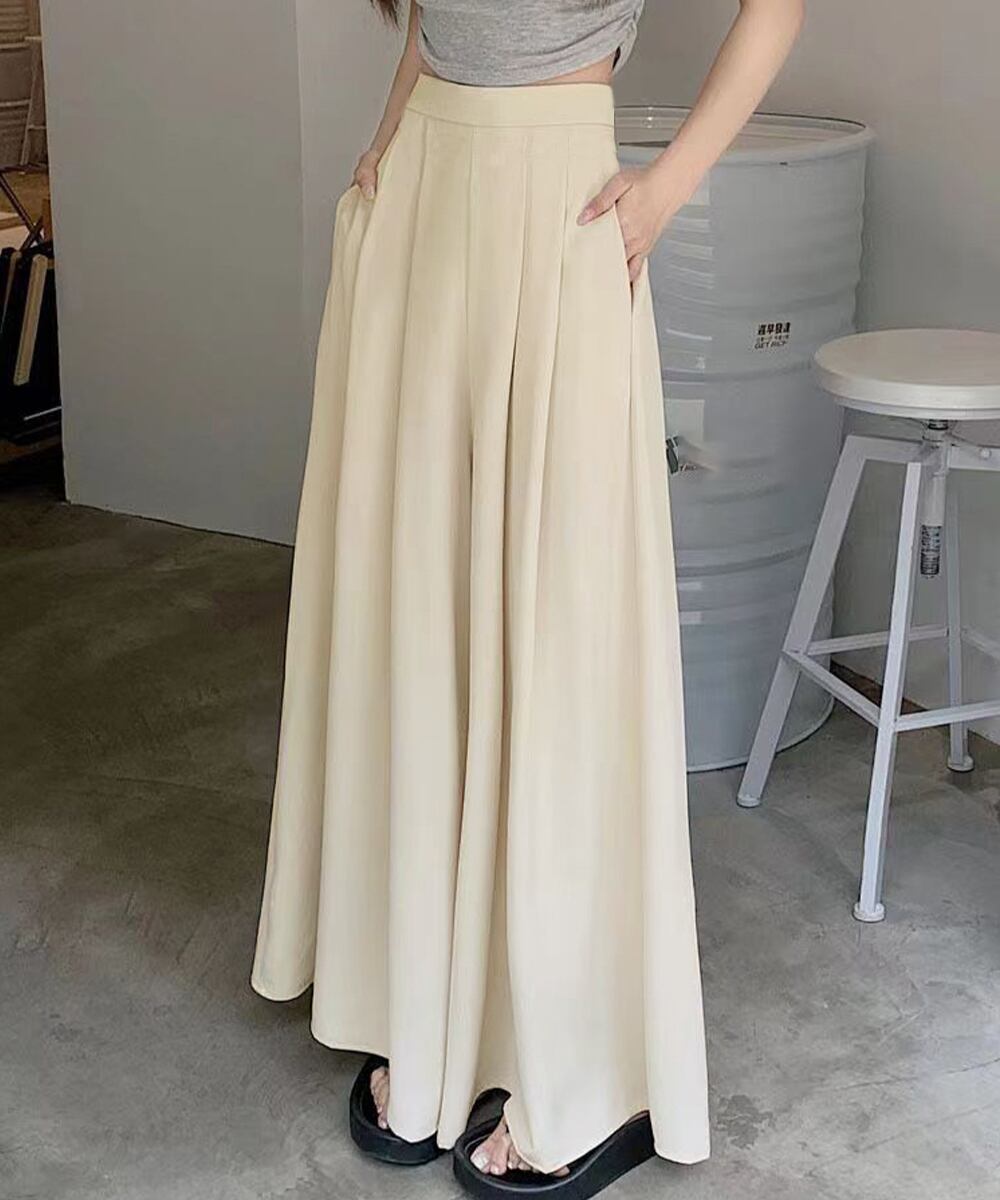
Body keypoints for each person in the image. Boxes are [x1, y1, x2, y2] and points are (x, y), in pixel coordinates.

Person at [251, 1, 804, 1196]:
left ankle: (582, 1064)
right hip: (423, 189)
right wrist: (387, 142)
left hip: (559, 194)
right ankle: (428, 1009)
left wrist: (664, 191)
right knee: (417, 609)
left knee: (560, 627)